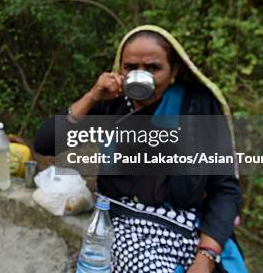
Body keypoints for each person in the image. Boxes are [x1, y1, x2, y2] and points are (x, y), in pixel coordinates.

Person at [34, 25, 245, 273]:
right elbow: (46, 143)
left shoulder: (197, 107)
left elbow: (225, 190)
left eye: (153, 68)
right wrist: (92, 96)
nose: (140, 75)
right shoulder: (114, 105)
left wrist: (206, 258)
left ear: (174, 71)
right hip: (125, 225)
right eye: (131, 67)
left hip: (187, 229)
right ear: (119, 70)